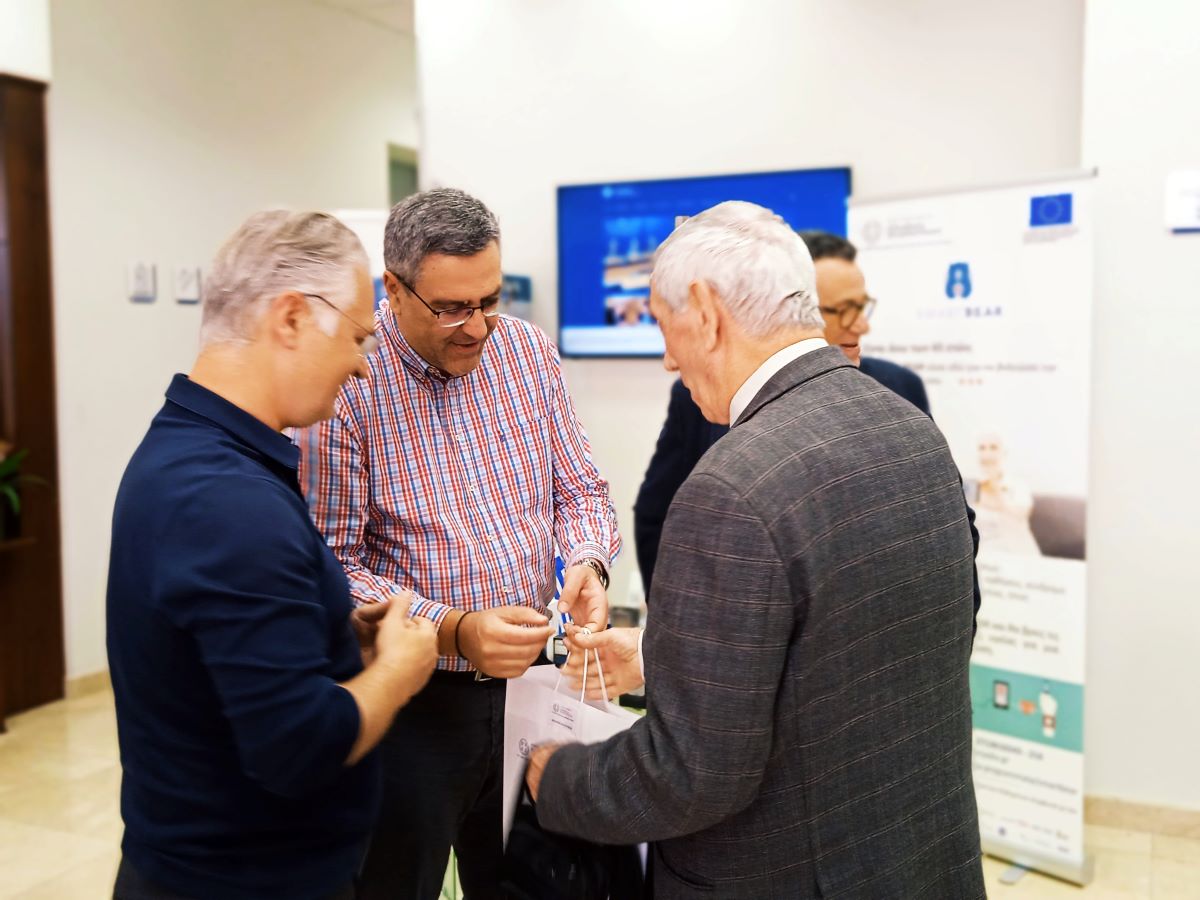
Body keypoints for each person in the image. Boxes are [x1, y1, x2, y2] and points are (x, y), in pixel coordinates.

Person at [533, 201, 984, 899]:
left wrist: (558, 777)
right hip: (920, 857)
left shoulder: (730, 487)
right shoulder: (909, 428)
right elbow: (865, 644)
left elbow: (692, 773)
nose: (667, 358)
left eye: (663, 325)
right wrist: (662, 655)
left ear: (707, 312)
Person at [297, 188, 621, 900]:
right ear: (394, 289)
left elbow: (581, 490)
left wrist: (588, 563)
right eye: (451, 308)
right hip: (416, 707)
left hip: (536, 684)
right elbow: (328, 566)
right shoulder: (348, 385)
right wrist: (453, 629)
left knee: (530, 883)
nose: (476, 328)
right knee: (394, 883)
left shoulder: (526, 352)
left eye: (488, 301)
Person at [106, 211, 439, 900]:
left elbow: (215, 650)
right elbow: (299, 748)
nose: (360, 364)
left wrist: (330, 635)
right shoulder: (229, 503)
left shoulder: (187, 450)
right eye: (356, 337)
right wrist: (398, 672)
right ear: (291, 318)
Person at [634, 230, 929, 593]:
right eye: (840, 310)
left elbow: (946, 520)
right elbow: (656, 515)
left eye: (861, 305)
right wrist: (673, 616)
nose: (860, 325)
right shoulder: (699, 397)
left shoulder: (900, 389)